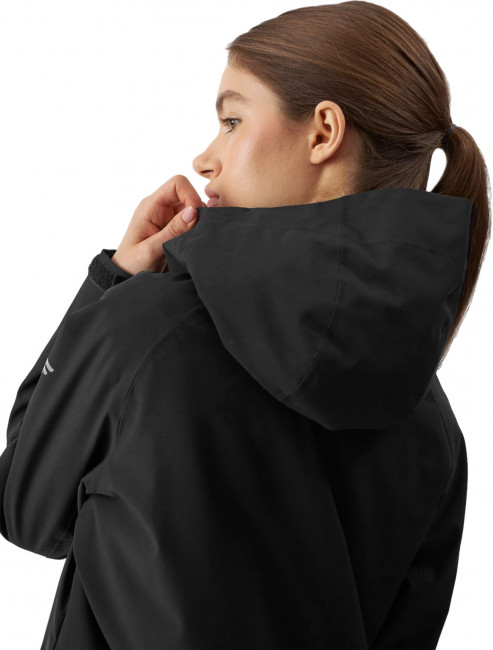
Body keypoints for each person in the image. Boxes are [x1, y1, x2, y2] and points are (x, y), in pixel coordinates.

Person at [0, 2, 490, 649]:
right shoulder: (432, 426)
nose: (205, 158)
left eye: (232, 120)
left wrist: (113, 281)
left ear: (323, 132)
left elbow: (26, 507)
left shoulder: (144, 330)